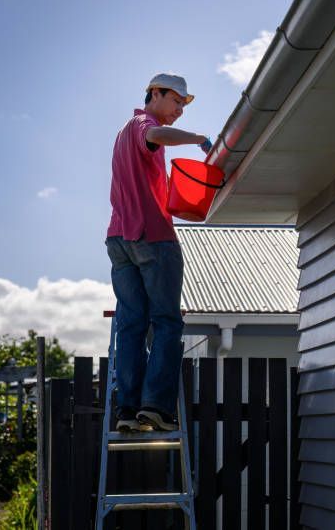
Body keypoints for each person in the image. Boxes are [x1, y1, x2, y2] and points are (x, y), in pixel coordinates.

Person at [105, 73, 212, 432]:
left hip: (119, 239)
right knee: (166, 321)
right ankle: (155, 407)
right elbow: (155, 136)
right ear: (155, 93)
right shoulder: (142, 124)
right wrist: (198, 139)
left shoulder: (123, 133)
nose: (180, 109)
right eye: (177, 101)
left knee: (132, 324)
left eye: (183, 104)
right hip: (152, 237)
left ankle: (127, 409)